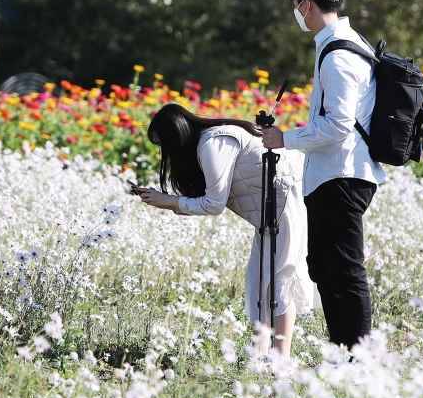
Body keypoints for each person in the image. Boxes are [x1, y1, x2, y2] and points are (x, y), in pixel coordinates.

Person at [259, 0, 386, 350]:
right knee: (326, 268)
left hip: (342, 175)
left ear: (307, 4)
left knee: (344, 270)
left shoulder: (338, 55)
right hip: (339, 173)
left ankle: (357, 358)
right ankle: (343, 353)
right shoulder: (346, 43)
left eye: (296, 6)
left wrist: (283, 138)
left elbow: (337, 126)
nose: (297, 14)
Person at [133, 103, 313, 358]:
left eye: (164, 145)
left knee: (280, 278)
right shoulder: (209, 141)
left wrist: (171, 201)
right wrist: (171, 201)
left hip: (285, 199)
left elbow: (214, 204)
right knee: (260, 281)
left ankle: (280, 360)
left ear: (177, 138)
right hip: (272, 206)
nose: (164, 153)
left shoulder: (212, 144)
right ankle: (260, 356)